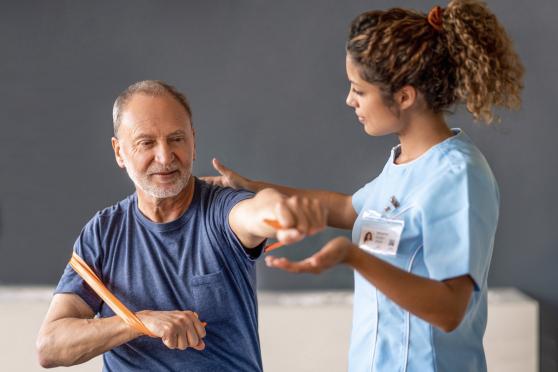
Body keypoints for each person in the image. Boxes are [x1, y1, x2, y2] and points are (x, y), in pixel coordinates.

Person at [201, 1, 523, 371]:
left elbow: (451, 309)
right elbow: (345, 209)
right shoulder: (401, 163)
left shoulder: (457, 176)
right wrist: (252, 187)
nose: (349, 100)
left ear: (404, 96)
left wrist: (353, 257)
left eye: (359, 90)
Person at [36, 80, 327, 371]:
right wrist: (140, 323)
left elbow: (255, 212)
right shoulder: (102, 233)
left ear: (194, 141)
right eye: (146, 143)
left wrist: (281, 212)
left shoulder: (221, 210)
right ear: (119, 152)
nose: (165, 156)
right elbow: (50, 347)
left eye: (176, 139)